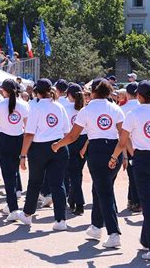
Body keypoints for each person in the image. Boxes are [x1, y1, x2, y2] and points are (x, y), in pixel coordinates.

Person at [53, 78, 125, 247]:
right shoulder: (115, 108)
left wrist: (57, 145)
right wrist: (120, 155)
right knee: (100, 188)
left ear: (93, 92)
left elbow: (72, 136)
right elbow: (123, 135)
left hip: (98, 151)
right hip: (114, 149)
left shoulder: (87, 110)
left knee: (104, 191)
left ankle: (114, 233)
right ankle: (96, 225)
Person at [109, 80, 150, 260]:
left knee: (147, 203)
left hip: (142, 159)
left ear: (139, 96)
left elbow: (122, 141)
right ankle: (147, 239)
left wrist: (114, 157)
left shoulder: (133, 114)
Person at [15, 78, 70, 231]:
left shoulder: (36, 108)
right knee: (58, 184)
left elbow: (29, 134)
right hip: (58, 145)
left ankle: (27, 214)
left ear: (37, 92)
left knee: (35, 182)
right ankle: (60, 220)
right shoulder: (59, 106)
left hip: (39, 148)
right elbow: (66, 131)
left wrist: (23, 155)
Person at [0, 79, 29, 221]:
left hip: (5, 140)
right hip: (20, 139)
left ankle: (13, 207)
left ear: (5, 91)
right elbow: (28, 128)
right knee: (13, 173)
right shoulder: (24, 104)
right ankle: (11, 205)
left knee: (8, 176)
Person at [62, 83, 87, 216]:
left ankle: (79, 203)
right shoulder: (85, 108)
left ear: (69, 95)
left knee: (74, 175)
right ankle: (72, 201)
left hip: (71, 141)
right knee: (77, 173)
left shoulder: (65, 108)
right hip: (84, 141)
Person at [121, 83, 140, 213]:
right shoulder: (145, 108)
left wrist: (124, 155)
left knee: (132, 176)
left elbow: (121, 135)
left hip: (128, 146)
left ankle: (135, 201)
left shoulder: (123, 109)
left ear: (127, 94)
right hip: (143, 146)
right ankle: (134, 200)